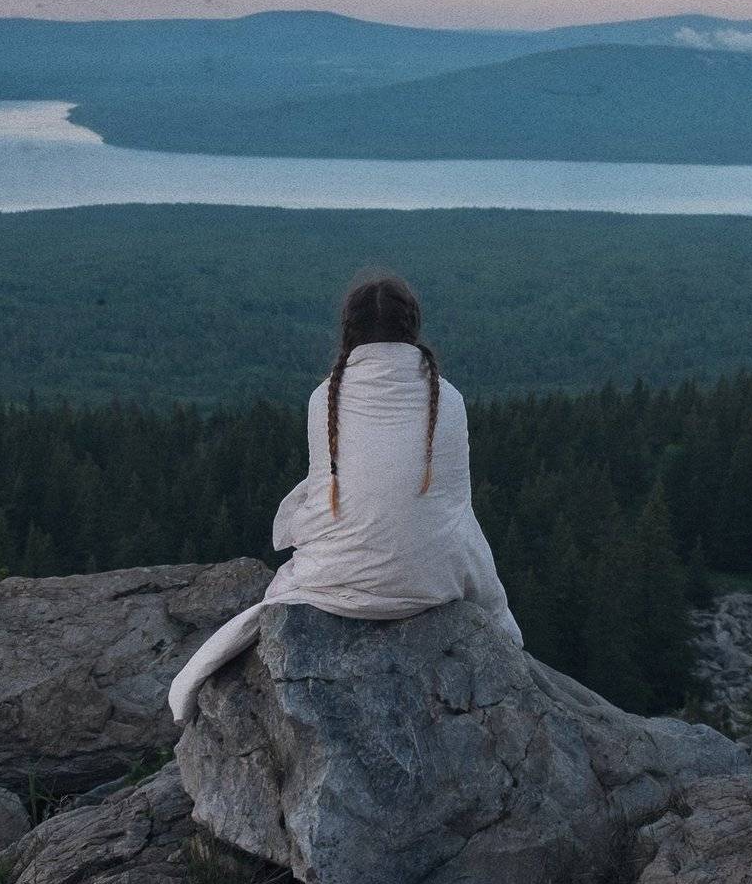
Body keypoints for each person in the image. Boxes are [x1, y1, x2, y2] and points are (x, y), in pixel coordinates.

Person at [168, 272, 523, 725]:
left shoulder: (325, 399)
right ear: (413, 328)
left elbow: (330, 494)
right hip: (437, 581)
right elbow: (454, 506)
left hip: (338, 583)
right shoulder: (448, 399)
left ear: (348, 330)